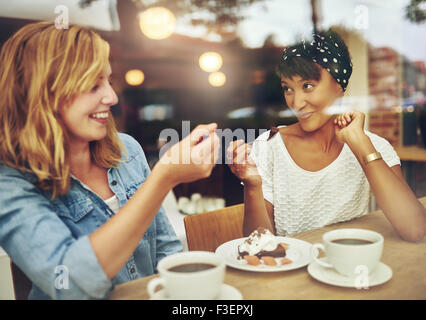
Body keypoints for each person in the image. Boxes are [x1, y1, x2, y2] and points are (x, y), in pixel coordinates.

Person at [0, 21, 220, 299]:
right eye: (93, 85)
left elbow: (166, 251)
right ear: (42, 93)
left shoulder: (126, 150)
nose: (112, 97)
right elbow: (70, 286)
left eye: (109, 81)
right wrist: (163, 177)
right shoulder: (10, 183)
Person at [227, 29, 426, 242]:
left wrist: (360, 145)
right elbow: (259, 244)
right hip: (292, 271)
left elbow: (415, 229)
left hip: (347, 268)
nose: (296, 103)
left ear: (339, 85)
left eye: (307, 86)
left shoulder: (374, 146)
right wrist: (253, 186)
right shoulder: (269, 146)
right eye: (288, 89)